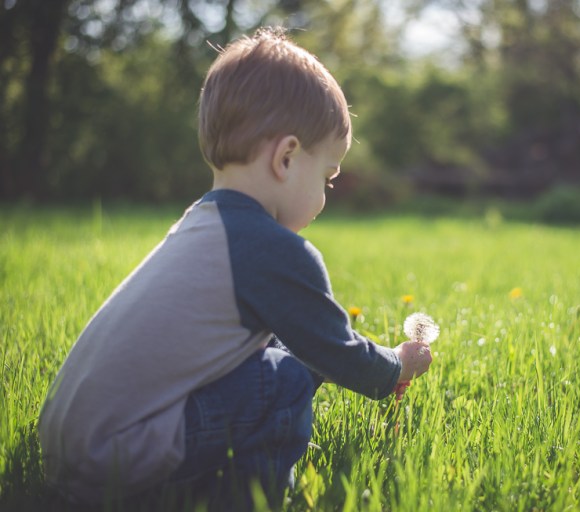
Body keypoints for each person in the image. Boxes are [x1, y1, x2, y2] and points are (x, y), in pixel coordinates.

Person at [38, 27, 433, 509]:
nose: (326, 196)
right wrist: (396, 365)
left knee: (276, 354)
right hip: (114, 458)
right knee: (283, 379)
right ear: (287, 157)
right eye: (327, 178)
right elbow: (336, 351)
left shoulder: (202, 225)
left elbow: (287, 343)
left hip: (73, 443)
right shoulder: (272, 250)